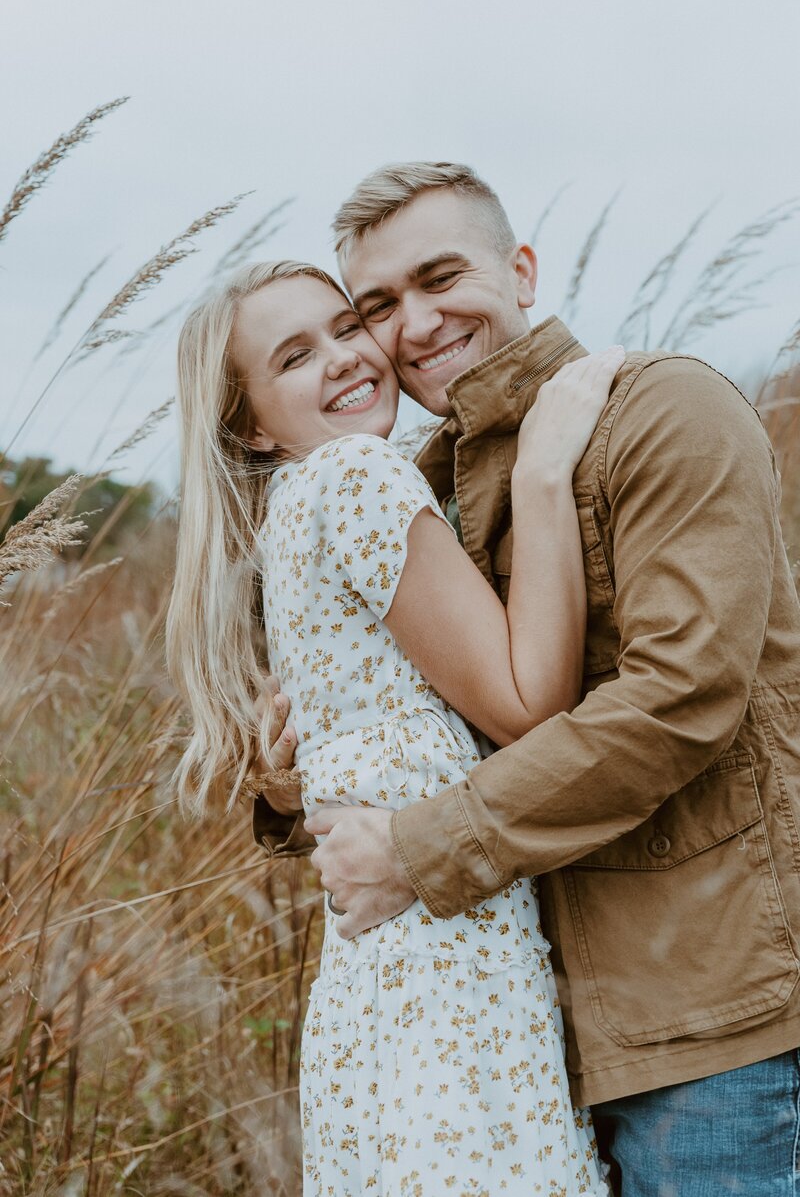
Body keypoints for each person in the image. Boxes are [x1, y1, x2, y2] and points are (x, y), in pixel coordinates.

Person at [257, 163, 800, 1195]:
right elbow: (414, 731)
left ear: (519, 270)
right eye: (377, 304)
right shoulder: (411, 490)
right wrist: (296, 792)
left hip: (712, 1025)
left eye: (439, 277)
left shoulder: (661, 410)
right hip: (531, 1040)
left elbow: (678, 701)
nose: (411, 324)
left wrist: (421, 845)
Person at [166, 258, 620, 1194]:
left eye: (344, 326)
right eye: (295, 356)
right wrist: (541, 475)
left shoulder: (290, 519)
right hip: (447, 962)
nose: (343, 358)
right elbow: (532, 707)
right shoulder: (358, 475)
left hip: (382, 978)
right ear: (250, 423)